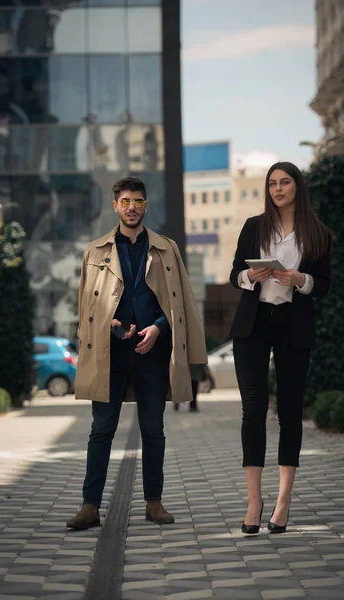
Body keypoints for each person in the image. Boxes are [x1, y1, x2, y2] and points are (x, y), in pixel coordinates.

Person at [67, 177, 207, 529]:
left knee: (153, 429)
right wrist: (109, 321)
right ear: (115, 206)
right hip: (108, 353)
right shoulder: (95, 250)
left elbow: (177, 301)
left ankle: (154, 503)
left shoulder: (166, 248)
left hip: (153, 354)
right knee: (102, 430)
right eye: (126, 201)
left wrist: (158, 325)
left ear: (146, 206)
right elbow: (86, 306)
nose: (132, 207)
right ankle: (89, 506)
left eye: (139, 202)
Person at [229, 162, 332, 535]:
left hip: (293, 323)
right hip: (253, 324)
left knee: (289, 411)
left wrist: (300, 279)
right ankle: (254, 500)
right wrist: (249, 276)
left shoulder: (318, 233)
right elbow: (234, 273)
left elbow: (324, 284)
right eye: (271, 183)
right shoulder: (254, 227)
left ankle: (283, 500)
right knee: (253, 409)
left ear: (297, 186)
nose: (277, 188)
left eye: (284, 182)